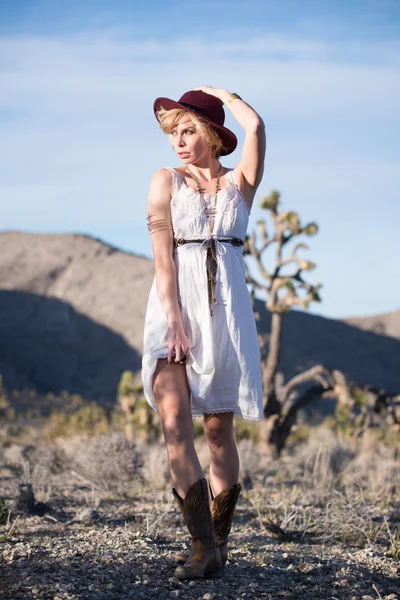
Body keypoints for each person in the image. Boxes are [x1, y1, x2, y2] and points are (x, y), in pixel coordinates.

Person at [141, 86, 266, 580]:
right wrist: (172, 316)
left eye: (189, 129)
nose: (179, 140)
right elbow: (161, 257)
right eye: (174, 131)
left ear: (213, 135)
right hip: (175, 311)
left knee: (218, 431)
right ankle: (201, 545)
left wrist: (223, 95)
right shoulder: (165, 181)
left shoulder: (241, 184)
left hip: (226, 315)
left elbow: (254, 128)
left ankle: (218, 546)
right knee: (174, 422)